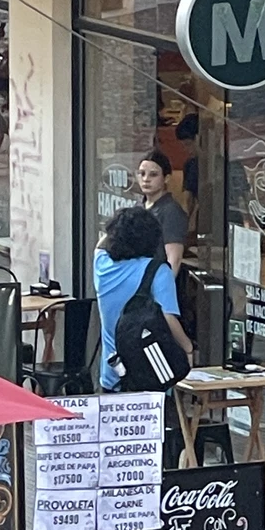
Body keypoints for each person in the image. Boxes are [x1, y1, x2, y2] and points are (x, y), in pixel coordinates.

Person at [94, 207, 191, 394]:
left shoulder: (101, 264)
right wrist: (187, 348)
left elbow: (102, 243)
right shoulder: (158, 271)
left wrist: (119, 227)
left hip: (111, 372)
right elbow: (168, 318)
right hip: (151, 372)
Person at [137, 150, 189, 276]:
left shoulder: (171, 211)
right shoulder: (138, 207)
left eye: (153, 175)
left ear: (166, 178)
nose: (146, 179)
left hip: (156, 283)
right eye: (142, 174)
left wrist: (165, 289)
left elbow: (174, 259)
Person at [175, 115, 200, 220]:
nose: (186, 149)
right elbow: (187, 201)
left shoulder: (227, 164)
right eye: (183, 146)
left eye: (189, 144)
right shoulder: (191, 165)